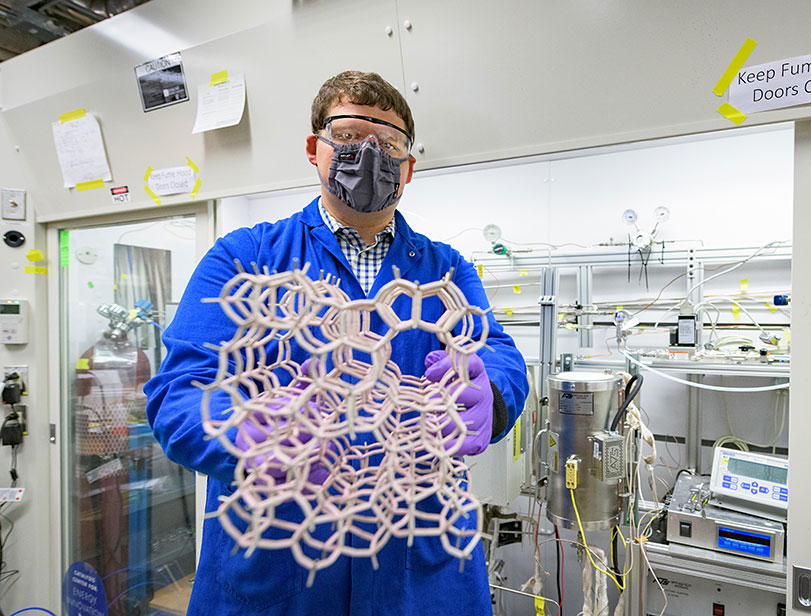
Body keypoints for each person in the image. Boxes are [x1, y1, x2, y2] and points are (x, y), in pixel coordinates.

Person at [144, 70, 529, 616]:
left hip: (417, 567)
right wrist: (241, 433)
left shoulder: (446, 269)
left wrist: (492, 389)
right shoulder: (243, 259)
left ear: (409, 167)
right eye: (347, 136)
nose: (369, 152)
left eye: (389, 143)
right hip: (280, 565)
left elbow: (498, 352)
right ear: (314, 149)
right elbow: (178, 393)